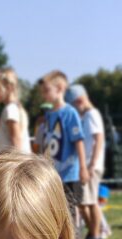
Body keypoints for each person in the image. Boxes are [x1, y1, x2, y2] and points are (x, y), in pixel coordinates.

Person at [39, 71, 88, 230]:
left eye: (47, 91)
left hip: (70, 173)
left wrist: (83, 168)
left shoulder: (70, 113)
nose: (44, 95)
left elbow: (78, 140)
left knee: (71, 209)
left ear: (60, 88)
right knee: (54, 210)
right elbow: (46, 143)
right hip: (53, 174)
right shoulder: (48, 115)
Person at [66, 84, 106, 239]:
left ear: (80, 100)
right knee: (83, 201)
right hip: (86, 164)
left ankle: (96, 236)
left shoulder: (91, 115)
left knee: (90, 202)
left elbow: (99, 140)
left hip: (91, 165)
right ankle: (92, 233)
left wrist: (91, 165)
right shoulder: (86, 116)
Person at [0, 67, 31, 153]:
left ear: (8, 88)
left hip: (15, 162)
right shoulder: (16, 108)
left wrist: (18, 164)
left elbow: (16, 140)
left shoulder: (10, 110)